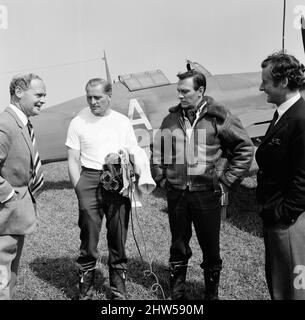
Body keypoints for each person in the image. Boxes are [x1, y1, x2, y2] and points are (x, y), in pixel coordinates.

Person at [151, 69, 254, 300]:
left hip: (206, 194)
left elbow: (245, 149)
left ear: (200, 91)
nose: (180, 96)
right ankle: (177, 296)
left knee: (210, 248)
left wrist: (226, 180)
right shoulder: (170, 119)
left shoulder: (218, 117)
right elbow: (157, 153)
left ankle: (211, 295)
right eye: (178, 91)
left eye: (185, 91)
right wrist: (161, 178)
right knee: (178, 245)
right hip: (177, 195)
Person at [65, 78, 139, 300]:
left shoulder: (122, 121)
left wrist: (124, 166)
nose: (93, 102)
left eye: (98, 97)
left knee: (118, 235)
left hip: (116, 179)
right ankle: (84, 290)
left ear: (109, 96)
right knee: (88, 236)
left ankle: (118, 290)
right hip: (89, 178)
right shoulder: (78, 121)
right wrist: (80, 188)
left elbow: (132, 150)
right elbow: (72, 159)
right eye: (89, 97)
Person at [256, 52, 305, 300]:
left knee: (292, 291)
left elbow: (303, 179)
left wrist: (283, 214)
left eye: (265, 80)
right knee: (279, 286)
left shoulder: (300, 118)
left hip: (289, 223)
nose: (261, 86)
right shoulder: (283, 113)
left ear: (283, 82)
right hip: (277, 218)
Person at [0, 73, 46, 299]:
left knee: (10, 272)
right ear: (19, 92)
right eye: (38, 94)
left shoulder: (22, 123)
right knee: (2, 274)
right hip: (5, 214)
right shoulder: (5, 125)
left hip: (16, 215)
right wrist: (7, 194)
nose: (43, 100)